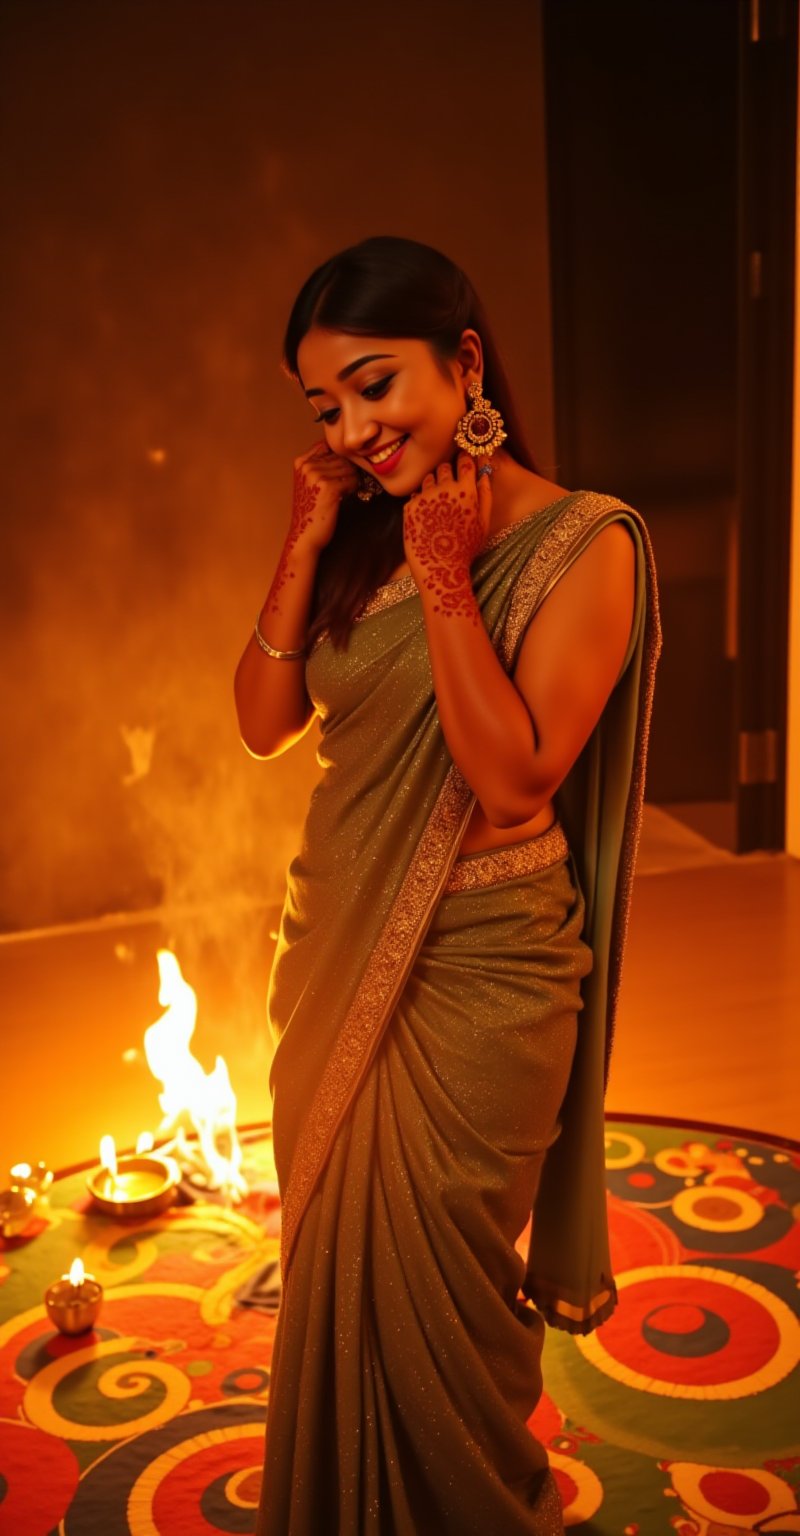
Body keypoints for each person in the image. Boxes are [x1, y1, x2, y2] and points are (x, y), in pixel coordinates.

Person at [234, 234, 662, 1535]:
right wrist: (309, 545)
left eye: (376, 387)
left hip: (488, 975)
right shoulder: (360, 529)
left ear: (462, 362)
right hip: (336, 945)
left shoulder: (587, 546)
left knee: (444, 1302)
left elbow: (516, 777)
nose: (356, 429)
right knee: (338, 1290)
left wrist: (443, 578)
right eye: (326, 407)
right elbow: (263, 721)